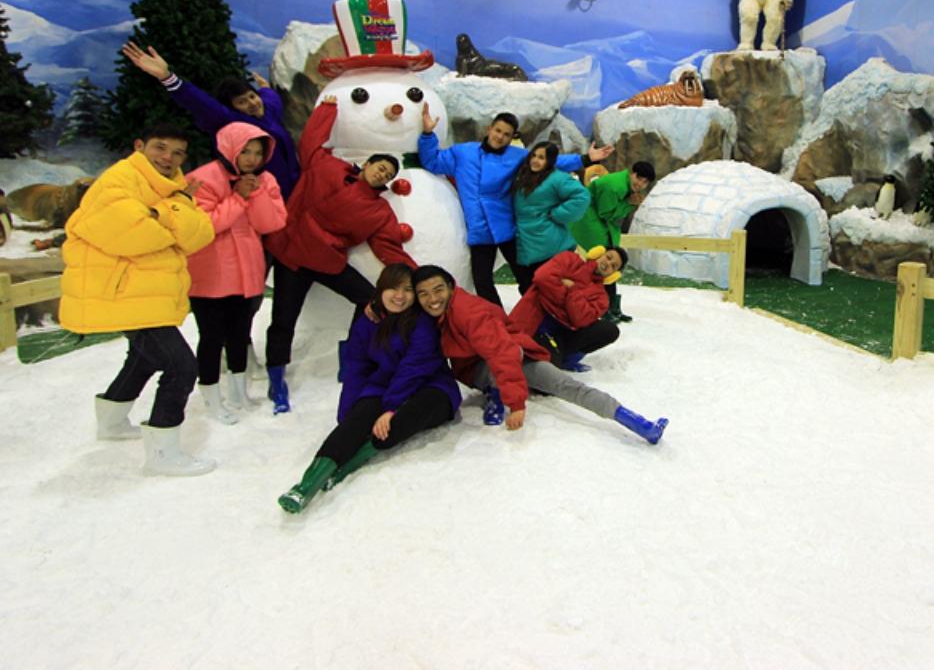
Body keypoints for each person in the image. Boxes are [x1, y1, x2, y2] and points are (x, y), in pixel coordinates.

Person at [59, 123, 216, 476]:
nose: (168, 158)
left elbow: (201, 234)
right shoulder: (118, 181)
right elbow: (135, 234)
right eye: (160, 147)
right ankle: (163, 454)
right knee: (181, 366)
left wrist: (166, 211)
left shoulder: (170, 188)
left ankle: (112, 422)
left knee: (143, 358)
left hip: (142, 292)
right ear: (139, 145)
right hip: (124, 292)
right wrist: (176, 210)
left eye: (178, 153)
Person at [263, 95, 417, 414]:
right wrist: (327, 109)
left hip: (326, 261)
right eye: (380, 167)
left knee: (370, 299)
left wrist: (418, 275)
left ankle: (352, 357)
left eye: (388, 174)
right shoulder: (326, 167)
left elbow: (388, 247)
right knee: (283, 320)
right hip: (292, 254)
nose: (382, 174)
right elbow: (310, 142)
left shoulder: (379, 210)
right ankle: (276, 379)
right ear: (367, 164)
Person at [412, 264, 667, 444]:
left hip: (512, 356)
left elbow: (502, 353)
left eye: (438, 290)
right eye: (423, 293)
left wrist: (516, 404)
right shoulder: (438, 311)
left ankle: (637, 423)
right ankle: (495, 391)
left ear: (451, 287)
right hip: (485, 363)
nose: (432, 298)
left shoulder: (467, 313)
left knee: (564, 384)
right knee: (506, 373)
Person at [278, 264, 460, 513]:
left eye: (408, 289)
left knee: (403, 418)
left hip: (431, 385)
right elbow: (356, 368)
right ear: (381, 290)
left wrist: (391, 408)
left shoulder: (421, 322)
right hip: (383, 385)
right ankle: (306, 485)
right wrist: (349, 417)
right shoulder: (367, 321)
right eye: (393, 288)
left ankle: (349, 465)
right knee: (356, 421)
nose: (400, 296)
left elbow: (414, 368)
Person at [417, 108, 612, 307]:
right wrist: (427, 134)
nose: (500, 137)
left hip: (507, 228)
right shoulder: (463, 153)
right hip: (479, 230)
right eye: (498, 131)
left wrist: (585, 159)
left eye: (506, 134)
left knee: (526, 278)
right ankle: (496, 320)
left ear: (511, 138)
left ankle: (540, 314)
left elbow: (548, 162)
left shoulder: (516, 156)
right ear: (489, 129)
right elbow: (433, 161)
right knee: (482, 282)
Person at [185, 122, 287, 424]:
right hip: (210, 272)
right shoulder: (202, 178)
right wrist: (238, 198)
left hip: (247, 271)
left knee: (240, 335)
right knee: (211, 338)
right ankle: (212, 399)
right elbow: (205, 226)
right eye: (246, 151)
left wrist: (255, 194)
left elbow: (271, 223)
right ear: (230, 148)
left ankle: (239, 393)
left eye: (258, 153)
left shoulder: (265, 180)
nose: (252, 159)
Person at [121, 42, 302, 201]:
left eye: (252, 96)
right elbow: (200, 103)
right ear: (233, 108)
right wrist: (167, 77)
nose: (252, 103)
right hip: (260, 193)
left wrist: (264, 88)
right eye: (242, 102)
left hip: (294, 185)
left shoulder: (269, 111)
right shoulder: (233, 122)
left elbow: (271, 98)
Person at [509, 247, 626, 372]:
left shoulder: (601, 297)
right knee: (544, 369)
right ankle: (551, 354)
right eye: (608, 257)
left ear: (613, 275)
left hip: (564, 332)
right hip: (538, 321)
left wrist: (572, 290)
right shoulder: (569, 259)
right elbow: (542, 278)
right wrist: (570, 307)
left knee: (610, 330)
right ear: (598, 253)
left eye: (613, 266)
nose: (608, 264)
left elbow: (580, 319)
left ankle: (561, 356)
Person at [571, 161, 656, 323]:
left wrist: (629, 203)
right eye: (639, 178)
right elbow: (607, 213)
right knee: (603, 264)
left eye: (645, 182)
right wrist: (629, 204)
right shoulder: (615, 186)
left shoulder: (625, 186)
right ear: (632, 173)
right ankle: (603, 308)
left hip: (598, 222)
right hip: (588, 222)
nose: (640, 184)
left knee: (613, 263)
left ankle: (612, 306)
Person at [512, 142, 590, 291]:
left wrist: (557, 214)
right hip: (526, 241)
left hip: (548, 244)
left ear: (550, 161)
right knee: (529, 288)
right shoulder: (523, 176)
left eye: (541, 158)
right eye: (534, 156)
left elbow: (582, 196)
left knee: (546, 289)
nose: (535, 160)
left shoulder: (557, 178)